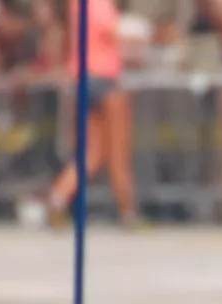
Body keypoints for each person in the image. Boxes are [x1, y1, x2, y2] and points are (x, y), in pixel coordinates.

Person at [45, 0, 139, 228]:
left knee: (90, 153)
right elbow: (114, 33)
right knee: (118, 151)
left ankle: (57, 197)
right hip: (105, 77)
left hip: (82, 77)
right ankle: (128, 212)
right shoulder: (100, 4)